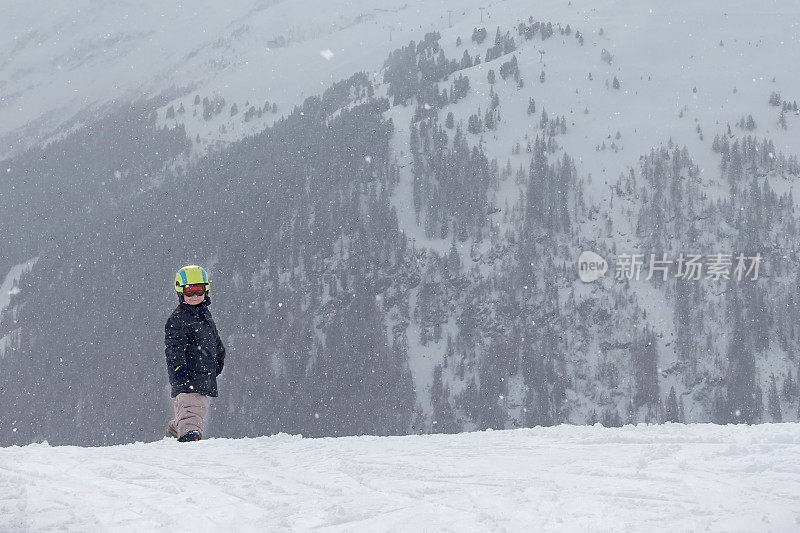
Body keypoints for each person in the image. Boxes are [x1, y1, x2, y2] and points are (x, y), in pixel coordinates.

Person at [165, 265, 226, 442]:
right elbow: (173, 348)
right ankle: (189, 436)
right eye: (189, 291)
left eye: (198, 291)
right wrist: (178, 368)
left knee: (194, 408)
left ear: (206, 291)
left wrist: (219, 358)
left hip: (203, 375)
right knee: (192, 410)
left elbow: (214, 340)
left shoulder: (205, 315)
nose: (194, 296)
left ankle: (175, 431)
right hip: (187, 376)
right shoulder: (178, 319)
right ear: (180, 292)